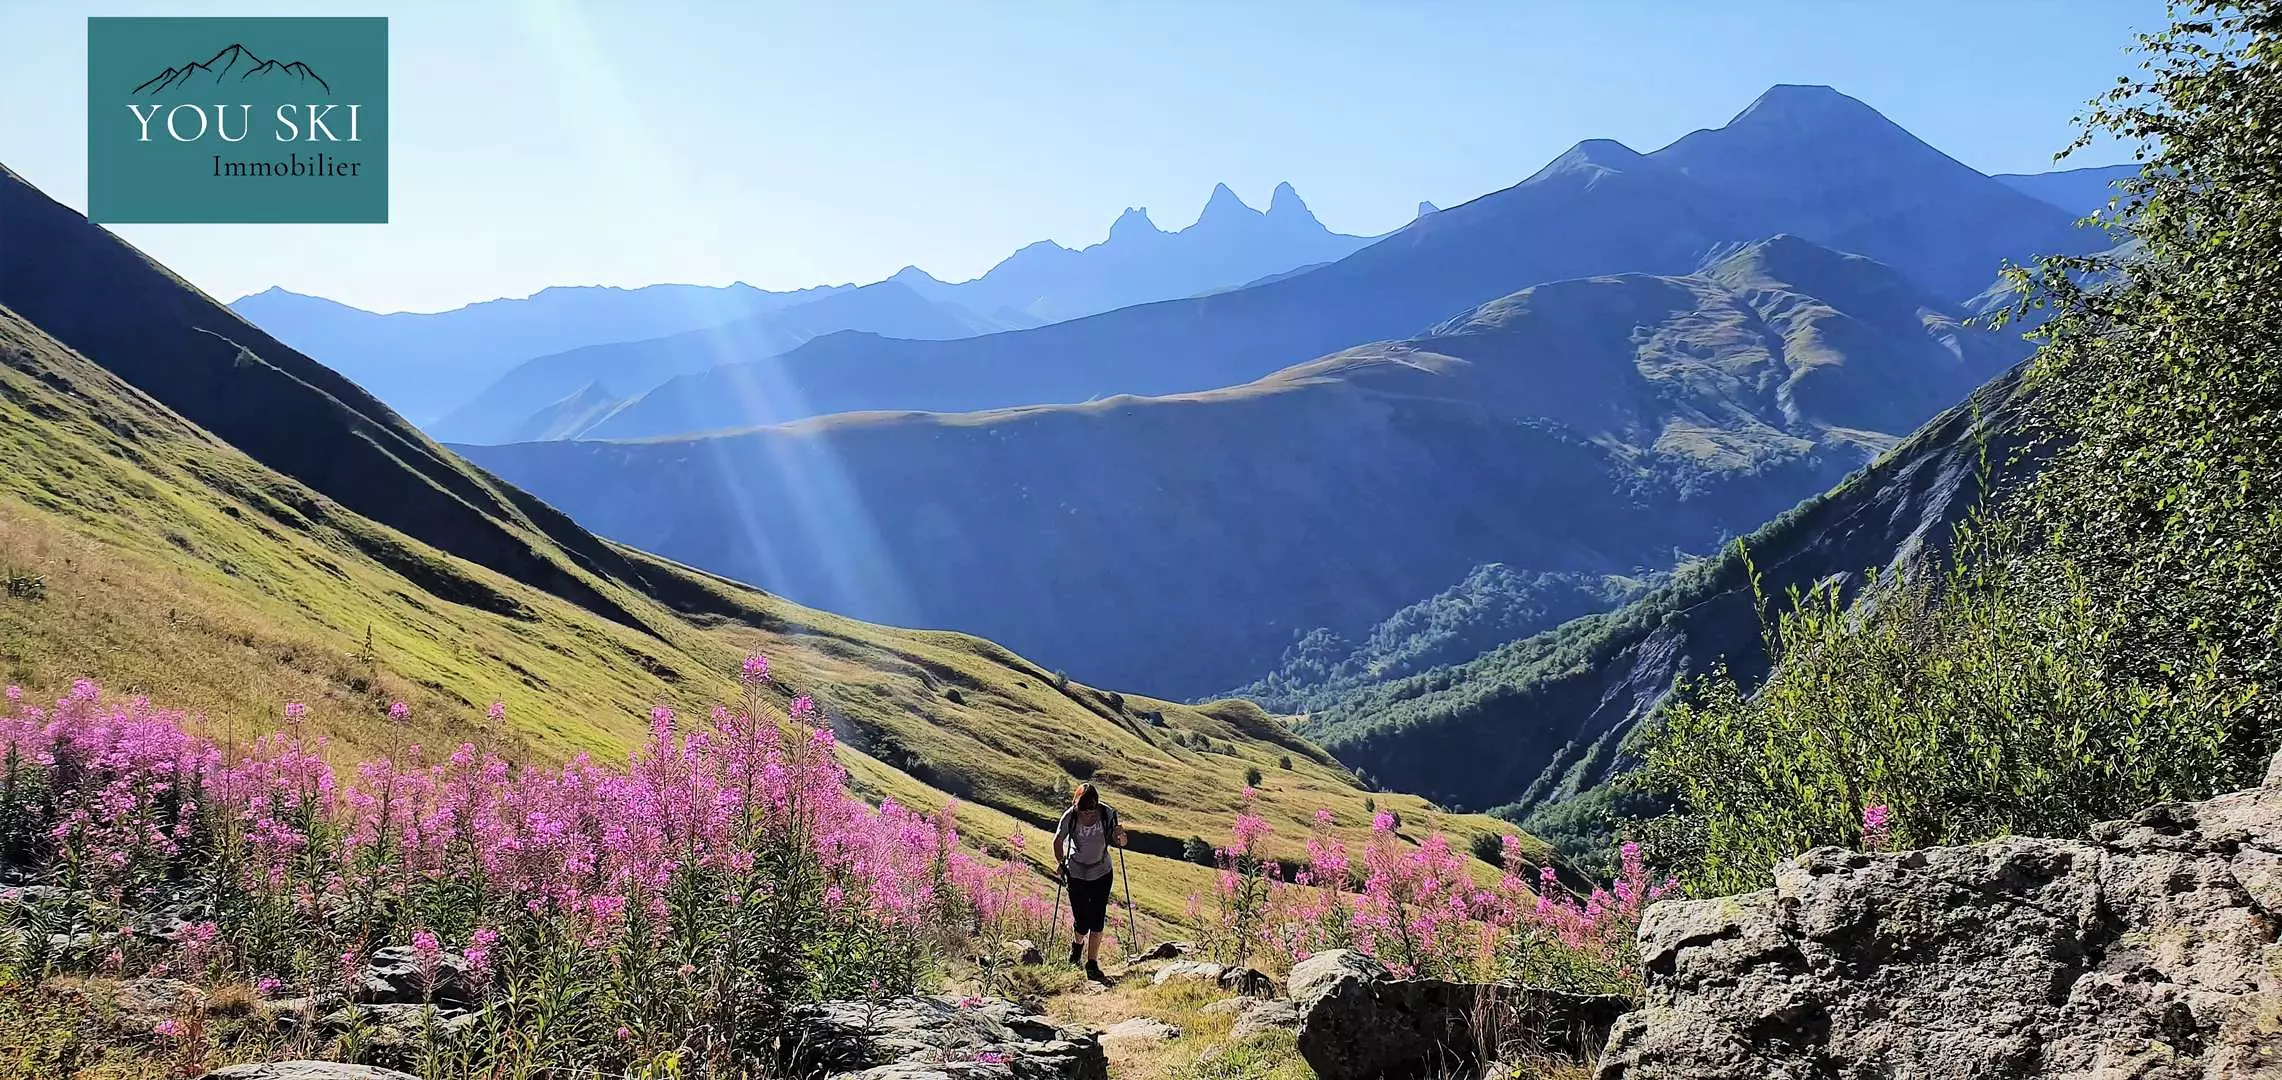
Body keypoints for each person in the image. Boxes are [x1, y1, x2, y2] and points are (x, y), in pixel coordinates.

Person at [1053, 782, 1126, 980]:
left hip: (1102, 872)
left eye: (1090, 811)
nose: (1087, 814)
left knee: (1098, 918)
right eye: (1083, 811)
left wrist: (1121, 836)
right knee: (1082, 920)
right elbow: (1058, 841)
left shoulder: (1107, 814)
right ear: (1076, 805)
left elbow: (1119, 842)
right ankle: (1077, 948)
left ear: (1096, 805)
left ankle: (1092, 963)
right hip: (1076, 873)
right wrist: (1061, 862)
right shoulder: (1070, 816)